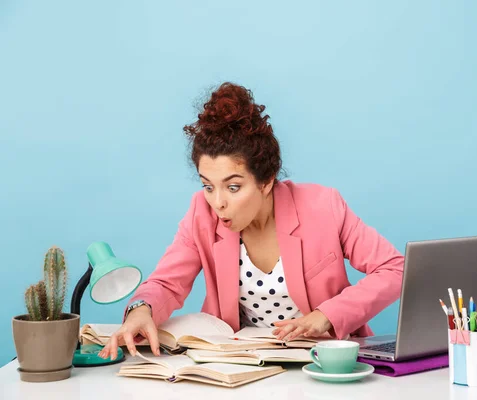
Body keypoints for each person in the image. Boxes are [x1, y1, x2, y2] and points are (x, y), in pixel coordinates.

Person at [99, 82, 404, 360]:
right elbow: (166, 282)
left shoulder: (322, 206)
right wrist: (141, 309)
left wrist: (327, 314)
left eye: (233, 187)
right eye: (208, 186)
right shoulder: (201, 214)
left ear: (266, 181)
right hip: (241, 365)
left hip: (323, 363)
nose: (217, 201)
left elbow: (395, 268)